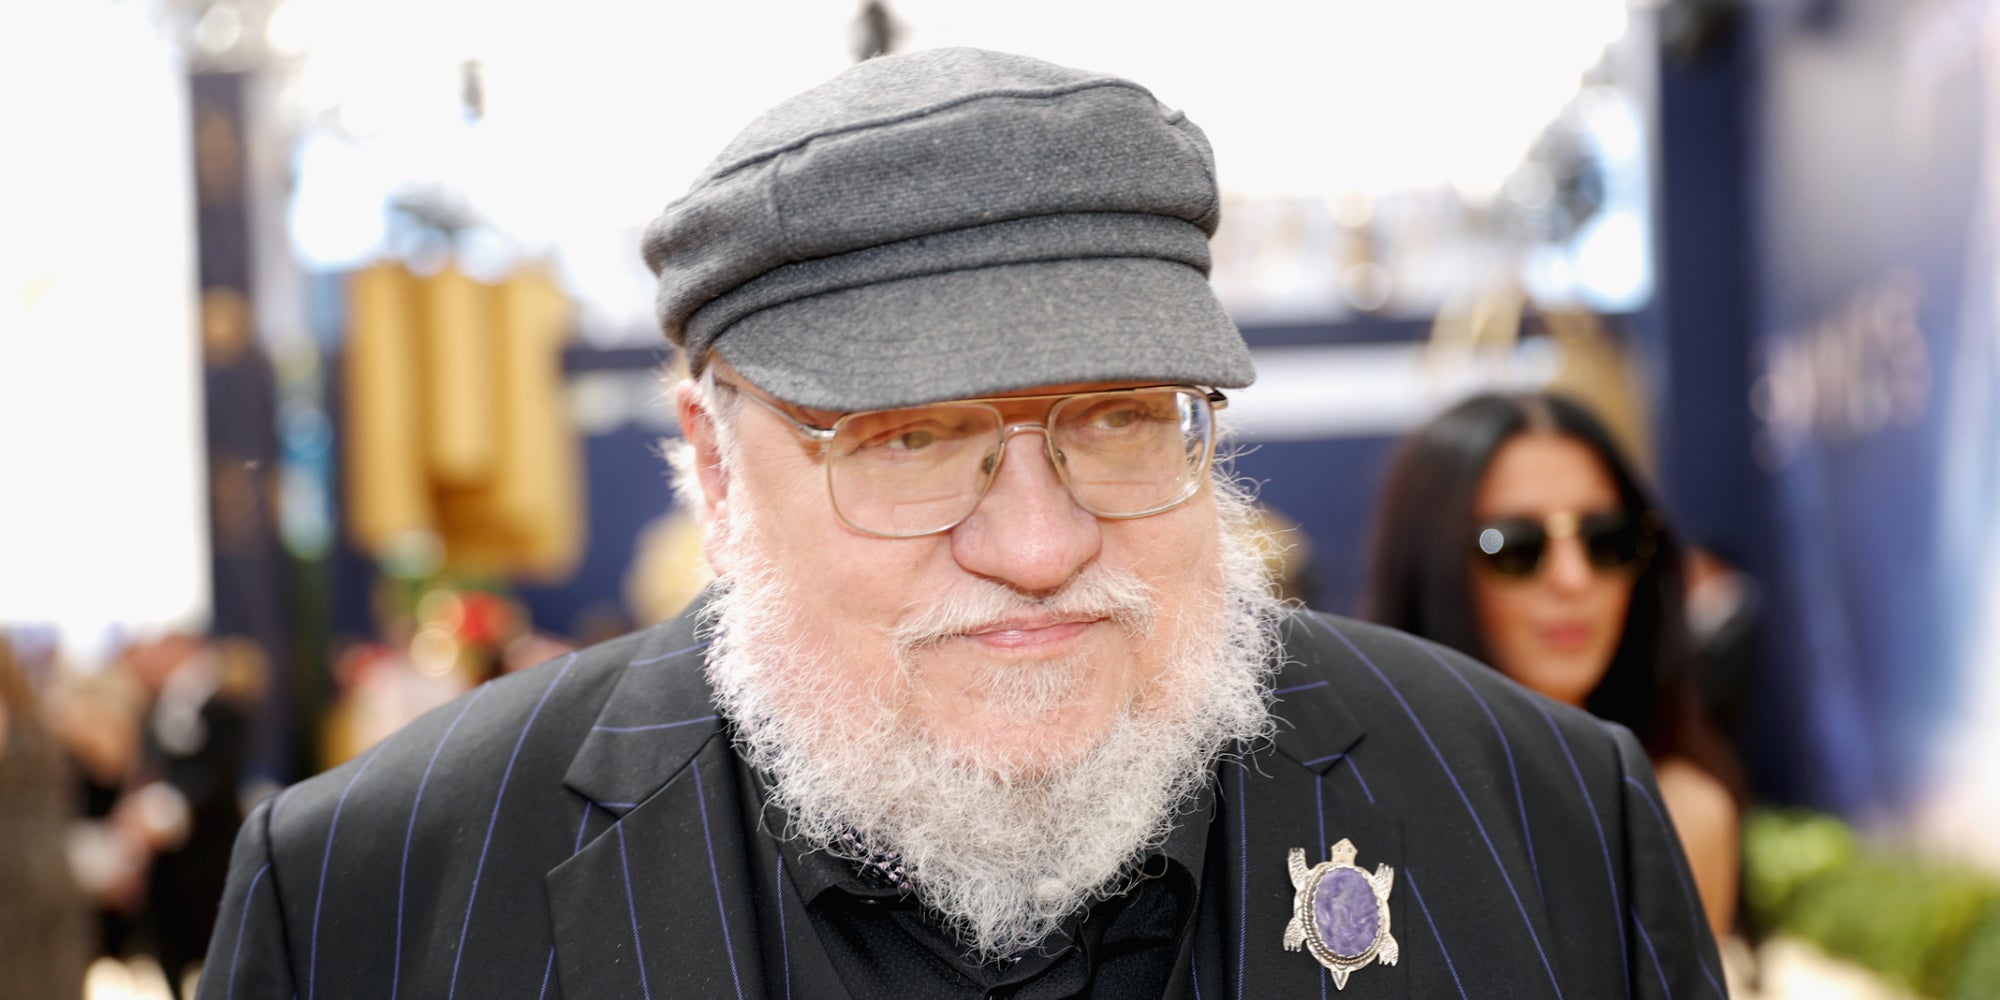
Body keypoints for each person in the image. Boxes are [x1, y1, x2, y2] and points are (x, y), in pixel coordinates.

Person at [200, 49, 1724, 999]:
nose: (1042, 546)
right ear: (714, 473)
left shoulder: (1547, 824)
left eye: (1121, 419)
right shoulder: (371, 899)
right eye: (915, 441)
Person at [1365, 391, 1745, 941]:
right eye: (1515, 546)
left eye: (1605, 540)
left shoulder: (1683, 813)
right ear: (1433, 568)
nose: (1573, 579)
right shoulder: (1353, 799)